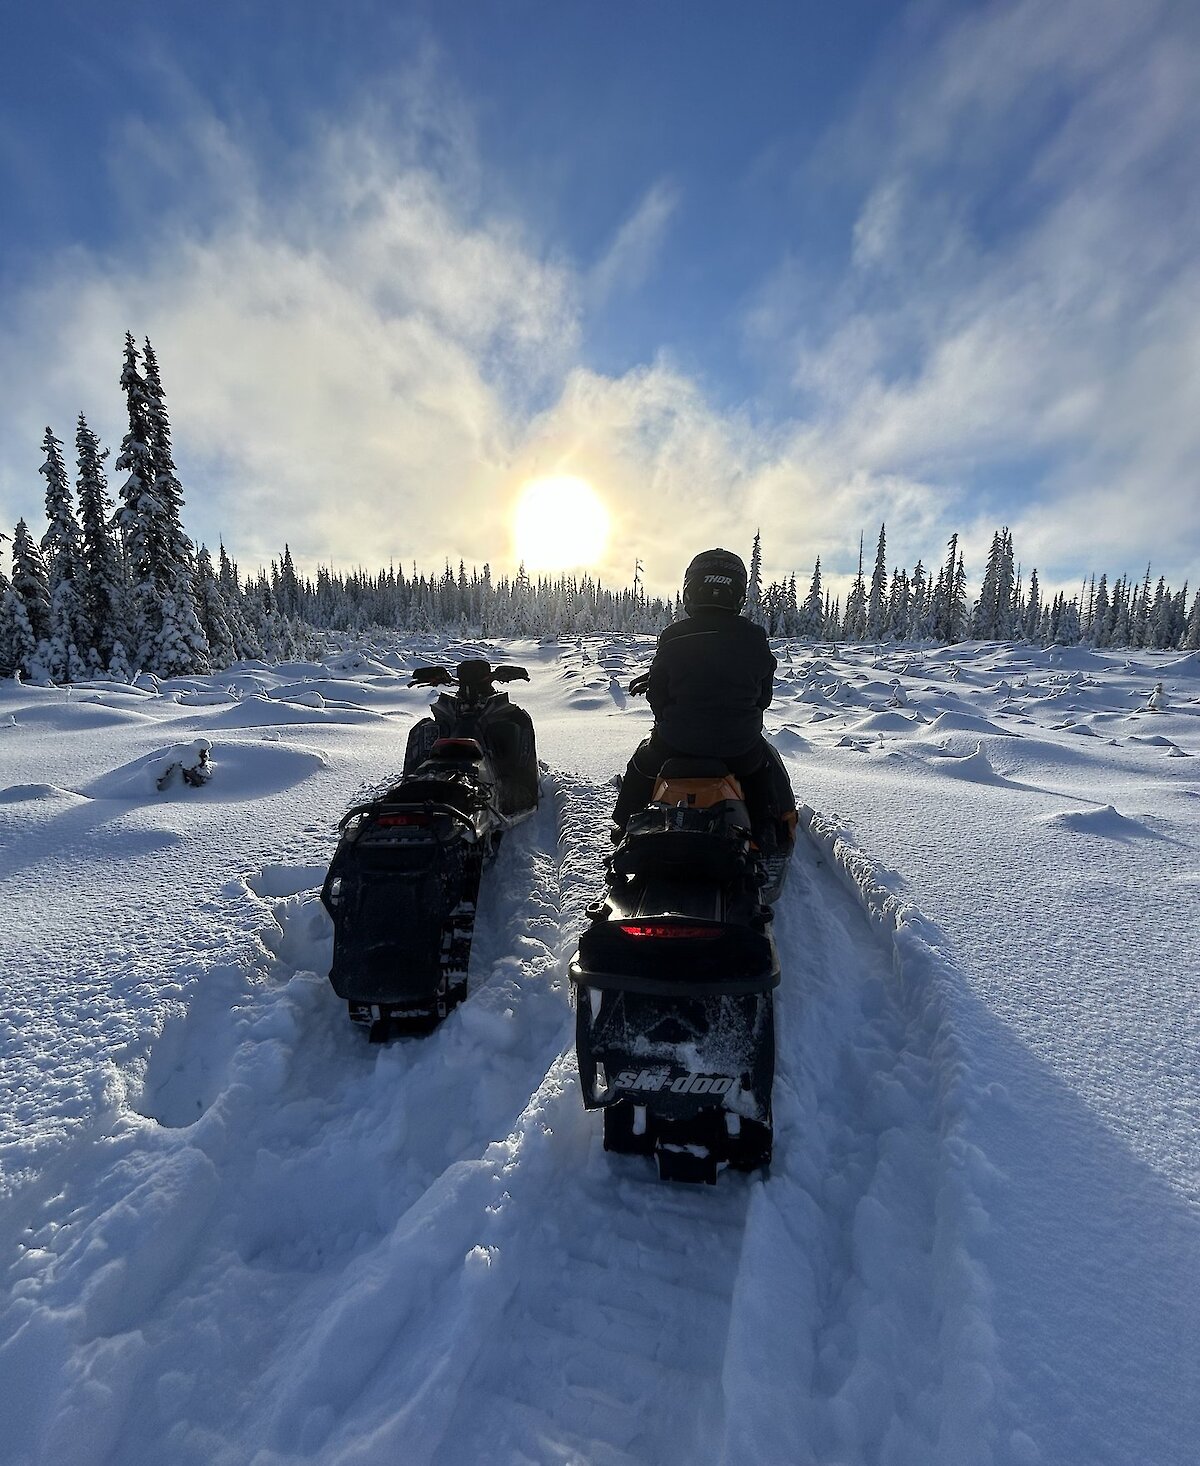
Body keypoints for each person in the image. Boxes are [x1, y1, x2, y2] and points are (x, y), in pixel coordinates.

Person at [612, 547, 797, 846]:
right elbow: (764, 696)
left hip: (675, 742)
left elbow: (657, 693)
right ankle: (767, 832)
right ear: (737, 594)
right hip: (739, 746)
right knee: (763, 771)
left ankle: (623, 826)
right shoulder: (753, 636)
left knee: (641, 765)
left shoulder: (674, 635)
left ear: (690, 590)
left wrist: (669, 717)